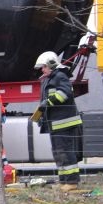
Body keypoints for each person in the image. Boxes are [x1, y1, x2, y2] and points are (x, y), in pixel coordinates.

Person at [34, 51, 83, 191]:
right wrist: (42, 115)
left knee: (66, 152)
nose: (42, 70)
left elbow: (64, 94)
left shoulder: (60, 76)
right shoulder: (49, 79)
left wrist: (47, 103)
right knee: (59, 153)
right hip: (55, 124)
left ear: (51, 64)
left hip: (64, 123)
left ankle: (72, 182)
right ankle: (64, 181)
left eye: (43, 67)